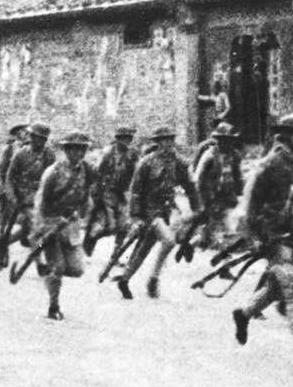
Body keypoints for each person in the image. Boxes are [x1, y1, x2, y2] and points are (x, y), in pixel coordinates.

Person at [231, 113, 293, 369]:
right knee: (292, 292)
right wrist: (259, 237)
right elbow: (251, 207)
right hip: (275, 238)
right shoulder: (270, 165)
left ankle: (244, 313)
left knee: (274, 290)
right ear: (285, 136)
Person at [114, 125, 203, 299]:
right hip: (150, 211)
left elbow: (190, 188)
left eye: (170, 139)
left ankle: (124, 279)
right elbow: (136, 191)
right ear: (158, 143)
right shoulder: (146, 162)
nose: (168, 143)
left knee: (144, 248)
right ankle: (153, 279)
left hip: (167, 210)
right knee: (169, 241)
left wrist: (197, 207)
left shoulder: (180, 163)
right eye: (164, 140)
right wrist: (136, 216)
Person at [34, 132, 98, 321]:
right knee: (59, 267)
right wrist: (44, 229)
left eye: (82, 149)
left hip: (71, 226)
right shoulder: (53, 172)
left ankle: (51, 275)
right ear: (66, 150)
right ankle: (54, 305)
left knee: (77, 269)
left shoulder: (87, 170)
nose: (78, 153)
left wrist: (83, 213)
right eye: (74, 148)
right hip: (51, 224)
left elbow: (87, 195)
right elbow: (41, 203)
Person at [0, 122, 54, 270]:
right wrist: (12, 197)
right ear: (31, 137)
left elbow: (54, 176)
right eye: (36, 137)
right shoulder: (21, 154)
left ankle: (5, 242)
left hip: (42, 198)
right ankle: (40, 262)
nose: (39, 141)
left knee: (29, 230)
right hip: (24, 200)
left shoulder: (49, 154)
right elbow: (9, 178)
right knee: (36, 228)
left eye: (42, 139)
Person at [84, 126, 136, 255]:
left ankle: (116, 252)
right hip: (105, 193)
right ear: (118, 139)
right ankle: (92, 237)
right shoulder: (107, 154)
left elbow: (136, 173)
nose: (127, 141)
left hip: (122, 193)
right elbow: (96, 172)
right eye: (124, 138)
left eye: (129, 138)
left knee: (124, 225)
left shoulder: (132, 155)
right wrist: (96, 194)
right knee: (109, 226)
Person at [191, 122, 243, 251]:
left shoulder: (235, 155)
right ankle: (197, 242)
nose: (227, 143)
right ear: (219, 140)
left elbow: (237, 176)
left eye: (230, 140)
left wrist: (239, 192)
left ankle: (216, 246)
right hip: (210, 196)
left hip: (227, 196)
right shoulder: (209, 155)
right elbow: (198, 179)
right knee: (213, 226)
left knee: (228, 227)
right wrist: (202, 201)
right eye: (224, 140)